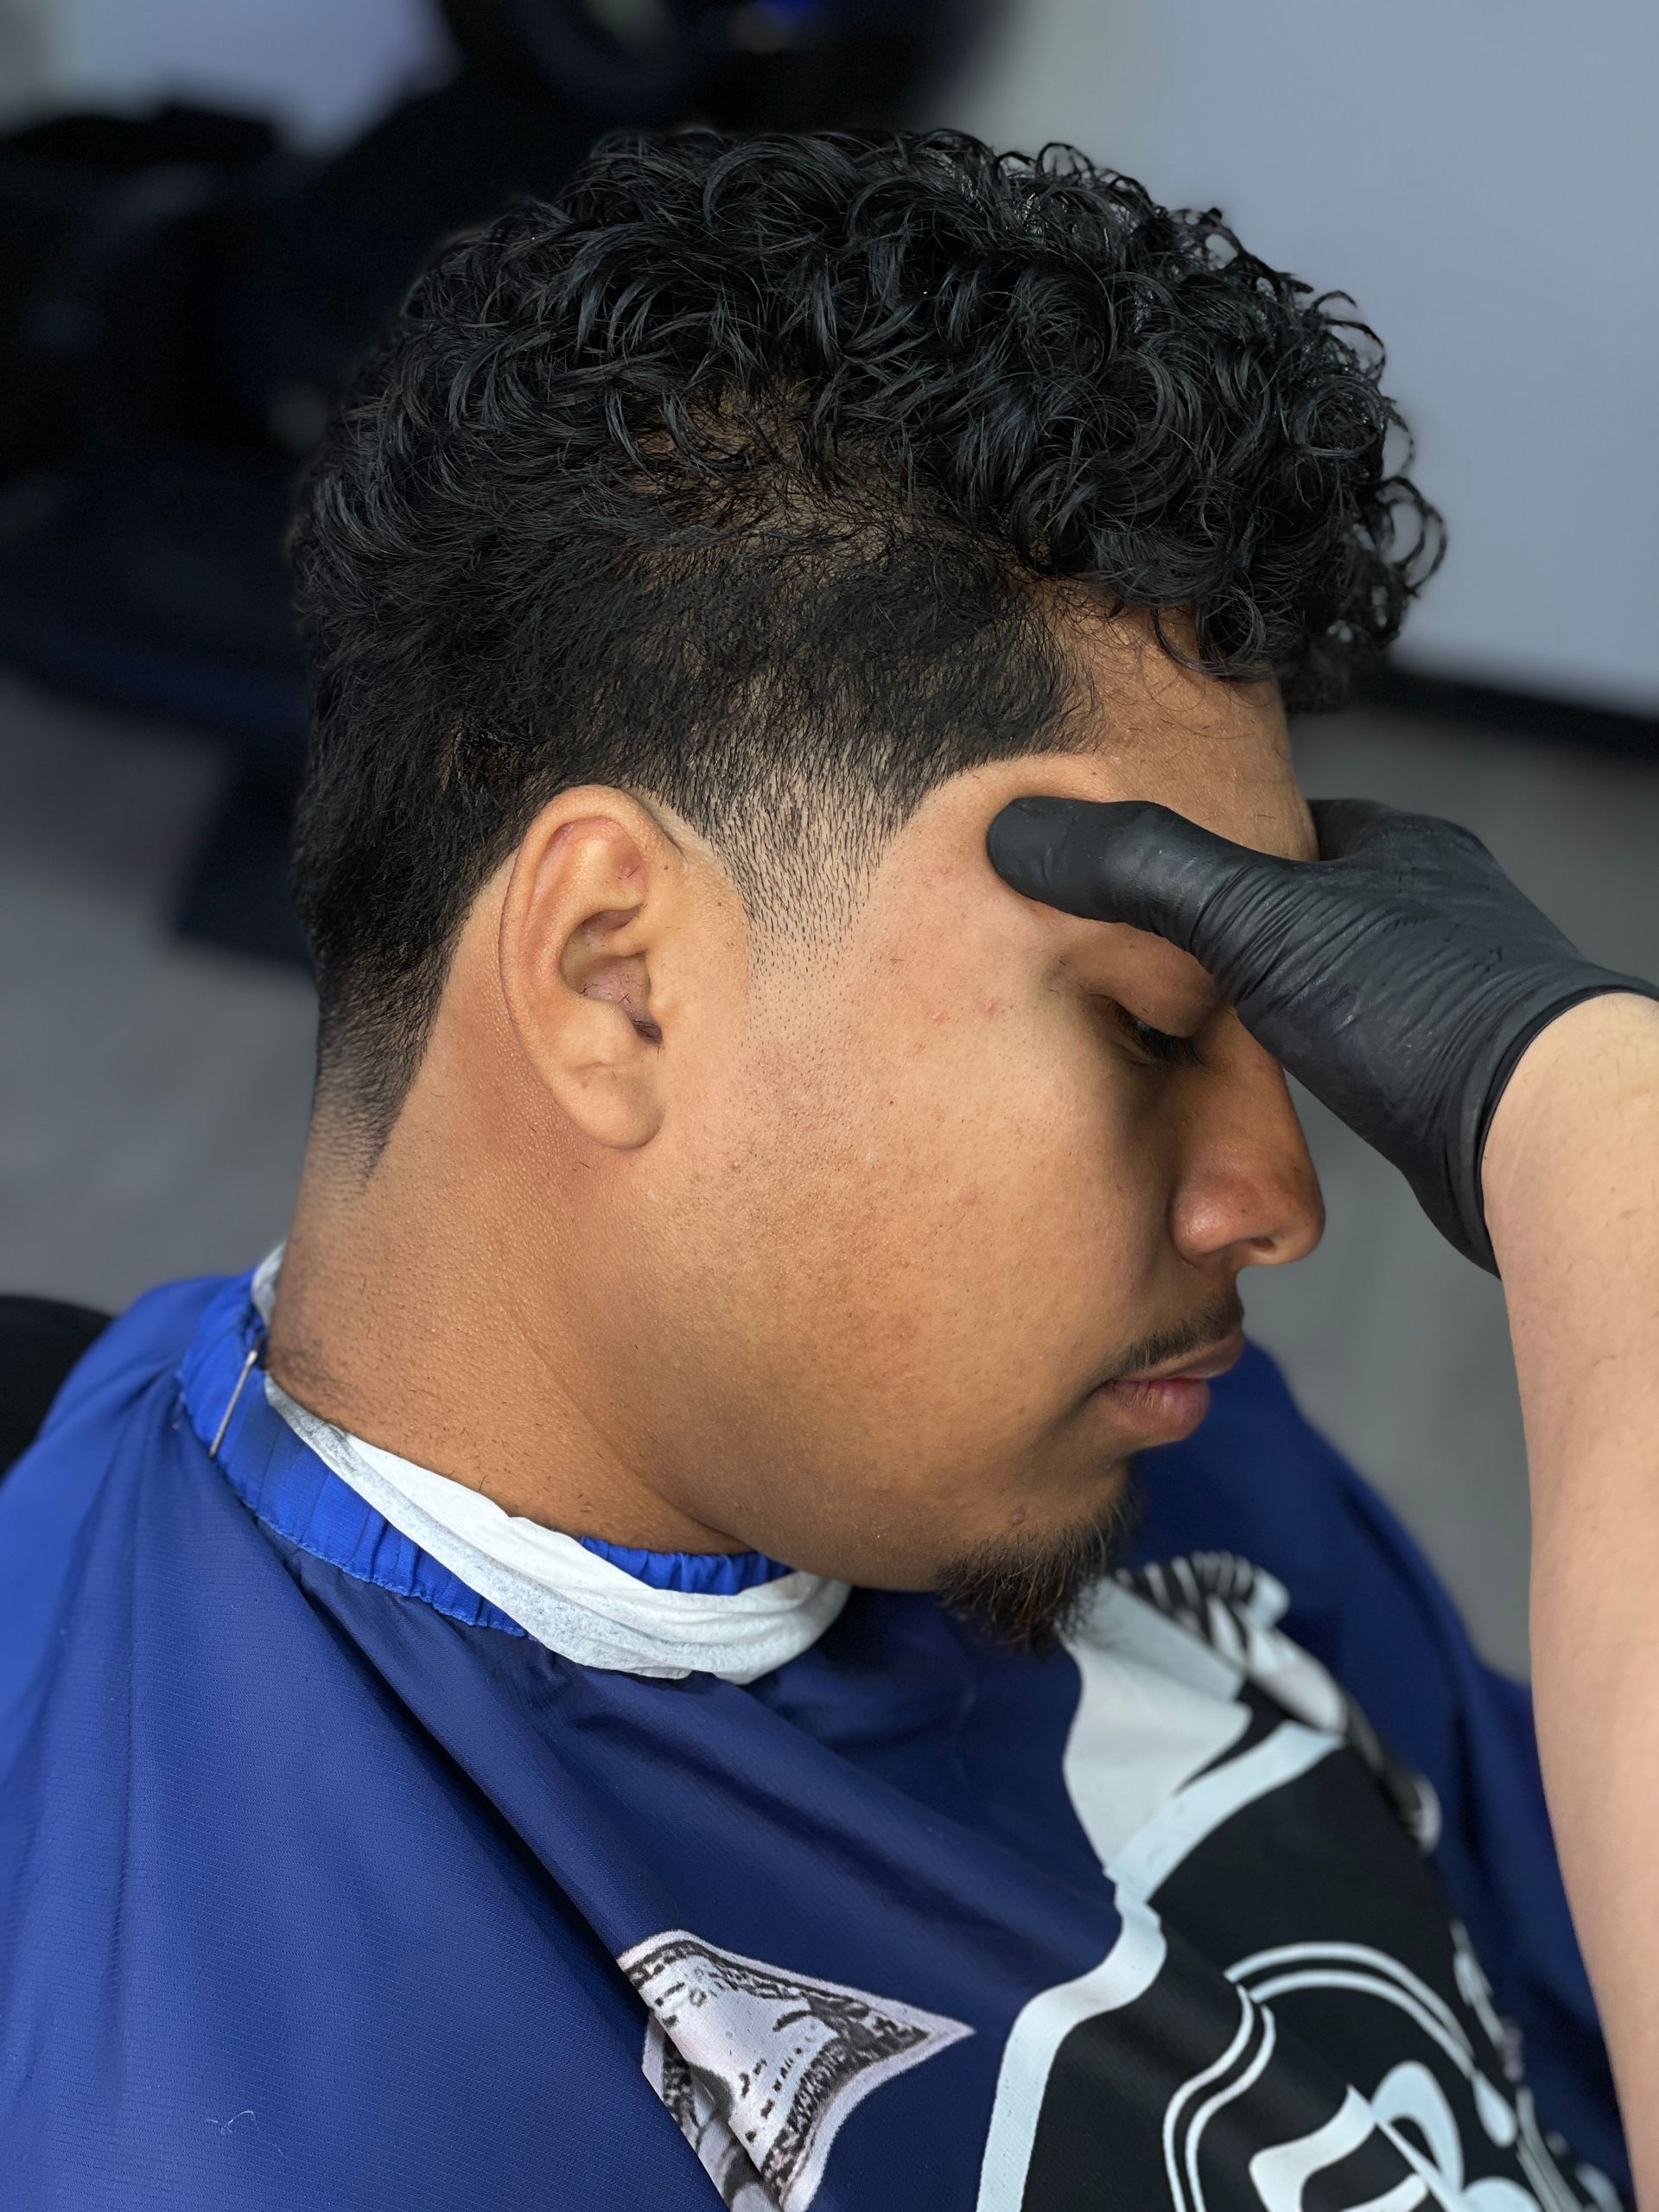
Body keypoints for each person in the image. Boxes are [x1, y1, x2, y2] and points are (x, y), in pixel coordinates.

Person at [2, 128, 1654, 2209]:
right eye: (1155, 1026)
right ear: (619, 982)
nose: (1274, 1197)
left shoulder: (1113, 1435)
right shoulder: (287, 2110)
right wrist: (1599, 1114)